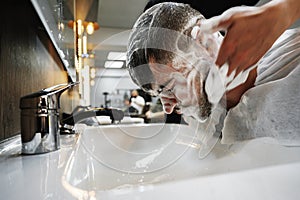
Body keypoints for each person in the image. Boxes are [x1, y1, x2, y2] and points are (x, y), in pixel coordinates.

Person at [126, 2, 300, 145]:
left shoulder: (291, 66)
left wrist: (285, 10)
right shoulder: (212, 121)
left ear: (202, 44)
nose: (171, 102)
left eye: (170, 87)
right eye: (161, 93)